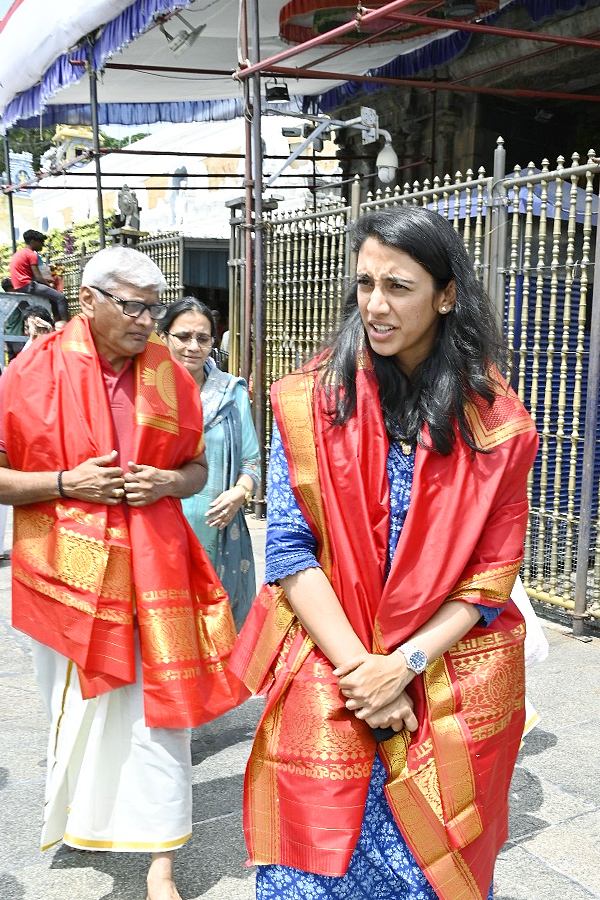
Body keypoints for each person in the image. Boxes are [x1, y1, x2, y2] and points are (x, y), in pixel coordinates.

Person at [230, 207, 539, 900]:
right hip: (330, 663)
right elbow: (288, 550)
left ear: (446, 294)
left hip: (441, 674)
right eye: (365, 283)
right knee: (309, 874)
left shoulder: (498, 424)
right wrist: (365, 676)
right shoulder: (311, 400)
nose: (375, 304)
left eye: (399, 287)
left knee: (424, 877)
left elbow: (490, 578)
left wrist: (404, 665)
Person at [0, 247, 244, 900]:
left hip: (155, 569)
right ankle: (91, 819)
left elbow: (194, 467)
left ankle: (161, 861)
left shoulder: (168, 372)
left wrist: (169, 480)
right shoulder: (31, 372)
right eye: (132, 305)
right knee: (78, 712)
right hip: (65, 574)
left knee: (163, 718)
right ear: (87, 300)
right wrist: (64, 481)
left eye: (153, 306)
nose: (147, 320)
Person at [159, 298, 260, 629]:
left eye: (203, 338)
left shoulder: (231, 395)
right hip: (161, 531)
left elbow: (252, 463)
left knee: (216, 637)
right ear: (164, 338)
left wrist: (239, 495)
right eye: (183, 336)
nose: (193, 346)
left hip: (219, 537)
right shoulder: (147, 396)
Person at [8, 229, 68, 327]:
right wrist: (49, 285)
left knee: (53, 298)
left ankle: (56, 323)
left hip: (20, 285)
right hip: (28, 285)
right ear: (32, 241)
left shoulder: (20, 253)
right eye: (40, 242)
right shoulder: (32, 254)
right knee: (61, 298)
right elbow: (38, 276)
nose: (42, 245)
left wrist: (46, 283)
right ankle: (66, 325)